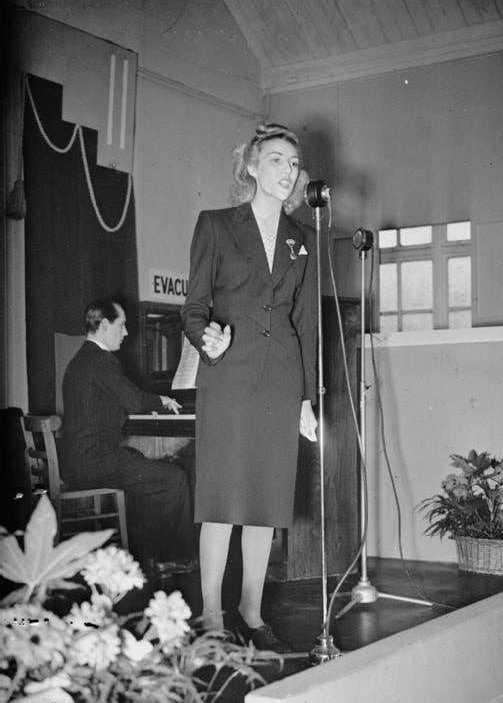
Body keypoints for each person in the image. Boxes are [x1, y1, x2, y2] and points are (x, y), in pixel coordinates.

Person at [181, 123, 318, 651]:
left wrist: (306, 397)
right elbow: (193, 308)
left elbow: (304, 324)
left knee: (265, 504)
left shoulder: (300, 240)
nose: (287, 172)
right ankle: (212, 615)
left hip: (280, 380)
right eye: (277, 161)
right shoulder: (215, 225)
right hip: (228, 375)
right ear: (254, 168)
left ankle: (252, 610)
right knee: (221, 501)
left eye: (293, 164)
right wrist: (205, 339)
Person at [61, 299, 197, 578]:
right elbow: (134, 401)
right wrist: (161, 399)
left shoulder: (79, 361)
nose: (125, 333)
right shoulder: (101, 360)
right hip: (97, 463)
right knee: (174, 479)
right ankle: (171, 558)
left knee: (140, 464)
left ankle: (149, 551)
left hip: (78, 462)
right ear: (103, 324)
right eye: (121, 325)